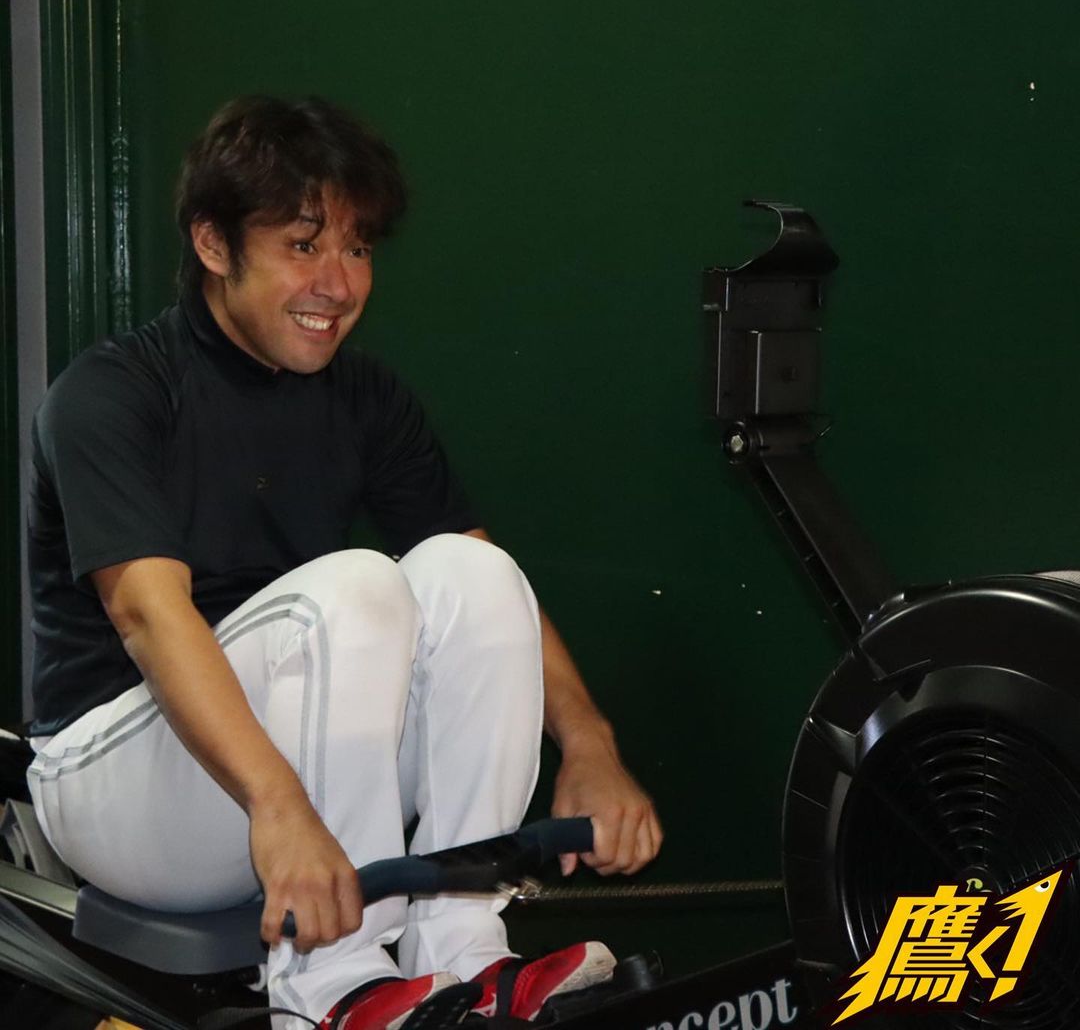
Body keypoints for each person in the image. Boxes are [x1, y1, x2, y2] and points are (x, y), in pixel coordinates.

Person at [25, 96, 662, 1030]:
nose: (336, 283)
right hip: (118, 782)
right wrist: (278, 805)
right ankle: (333, 988)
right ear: (213, 244)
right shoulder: (113, 392)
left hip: (287, 770)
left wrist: (592, 746)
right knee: (358, 585)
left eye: (356, 250)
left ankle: (463, 953)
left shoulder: (366, 397)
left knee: (473, 575)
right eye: (302, 245)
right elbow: (150, 618)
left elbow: (485, 590)